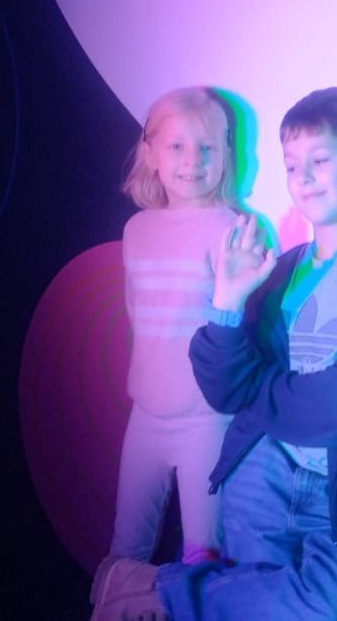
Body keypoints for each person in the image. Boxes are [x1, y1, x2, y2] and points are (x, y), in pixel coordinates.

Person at [93, 86, 337, 621]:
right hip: (263, 474)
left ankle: (154, 587)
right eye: (292, 165)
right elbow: (225, 388)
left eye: (320, 160)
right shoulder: (281, 267)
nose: (304, 177)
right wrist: (227, 303)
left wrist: (259, 388)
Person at [90, 87, 240, 621]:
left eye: (207, 147)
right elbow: (139, 318)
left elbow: (236, 328)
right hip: (146, 417)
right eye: (177, 146)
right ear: (150, 153)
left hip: (207, 421)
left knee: (204, 556)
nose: (192, 161)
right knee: (126, 547)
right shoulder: (137, 230)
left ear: (225, 155)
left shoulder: (231, 228)